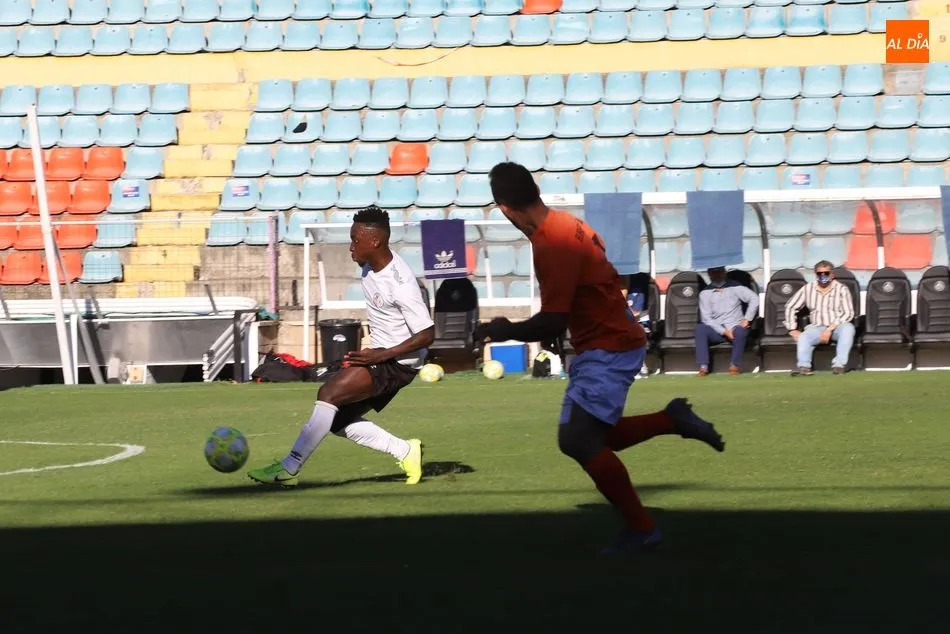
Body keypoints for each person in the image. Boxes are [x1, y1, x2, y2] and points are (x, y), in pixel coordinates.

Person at [476, 163, 726, 554]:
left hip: (608, 346)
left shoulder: (551, 244)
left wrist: (505, 329)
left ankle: (643, 527)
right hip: (610, 340)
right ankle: (671, 419)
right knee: (594, 435)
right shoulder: (571, 225)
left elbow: (552, 320)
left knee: (577, 439)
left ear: (505, 208)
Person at [247, 205, 434, 487]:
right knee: (336, 419)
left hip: (397, 363)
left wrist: (381, 354)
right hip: (382, 356)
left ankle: (288, 469)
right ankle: (406, 451)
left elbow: (427, 334)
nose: (350, 247)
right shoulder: (370, 265)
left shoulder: (402, 283)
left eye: (356, 240)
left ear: (376, 241)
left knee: (329, 393)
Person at [785, 260, 856, 376]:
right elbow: (790, 306)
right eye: (819, 274)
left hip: (837, 327)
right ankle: (804, 367)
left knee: (848, 329)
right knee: (803, 336)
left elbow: (848, 313)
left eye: (826, 273)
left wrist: (830, 329)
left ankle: (839, 365)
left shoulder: (842, 289)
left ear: (832, 275)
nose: (823, 276)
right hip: (816, 327)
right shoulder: (808, 288)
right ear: (815, 275)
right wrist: (792, 329)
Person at [695, 266, 759, 376]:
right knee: (700, 328)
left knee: (741, 331)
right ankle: (703, 367)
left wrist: (747, 319)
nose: (717, 274)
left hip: (735, 327)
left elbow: (754, 299)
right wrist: (724, 331)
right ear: (709, 274)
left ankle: (734, 366)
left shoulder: (736, 286)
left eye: (719, 271)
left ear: (724, 272)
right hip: (717, 330)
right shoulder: (704, 293)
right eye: (714, 272)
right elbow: (707, 318)